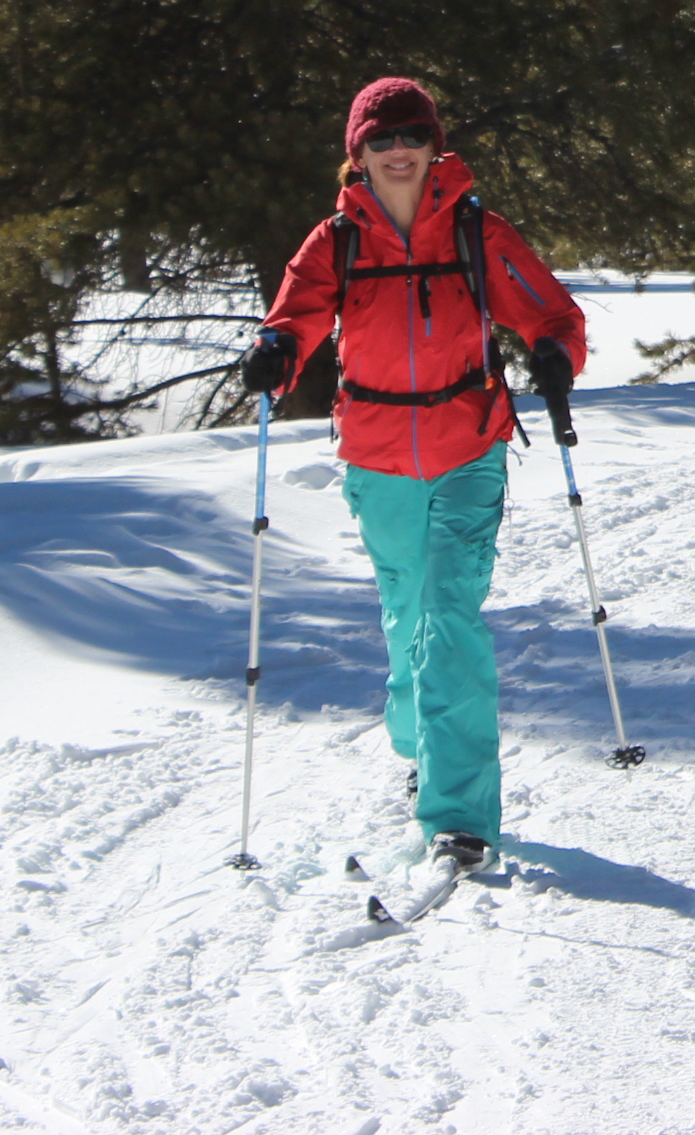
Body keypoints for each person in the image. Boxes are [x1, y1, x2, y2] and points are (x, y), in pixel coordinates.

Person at [244, 75, 585, 878]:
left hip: (467, 446)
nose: (398, 152)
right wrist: (276, 353)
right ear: (356, 155)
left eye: (411, 136)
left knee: (446, 617)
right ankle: (421, 745)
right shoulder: (337, 240)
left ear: (436, 145)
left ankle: (460, 815)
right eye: (380, 140)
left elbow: (552, 315)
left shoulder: (477, 232)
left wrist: (552, 356)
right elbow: (292, 318)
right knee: (406, 613)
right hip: (376, 454)